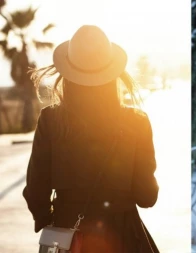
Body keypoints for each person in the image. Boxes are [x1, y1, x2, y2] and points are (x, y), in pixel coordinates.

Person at [23, 25, 160, 252]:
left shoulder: (50, 120)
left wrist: (51, 222)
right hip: (123, 237)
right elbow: (147, 196)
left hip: (68, 235)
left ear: (67, 73)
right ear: (112, 73)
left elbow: (36, 189)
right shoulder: (136, 120)